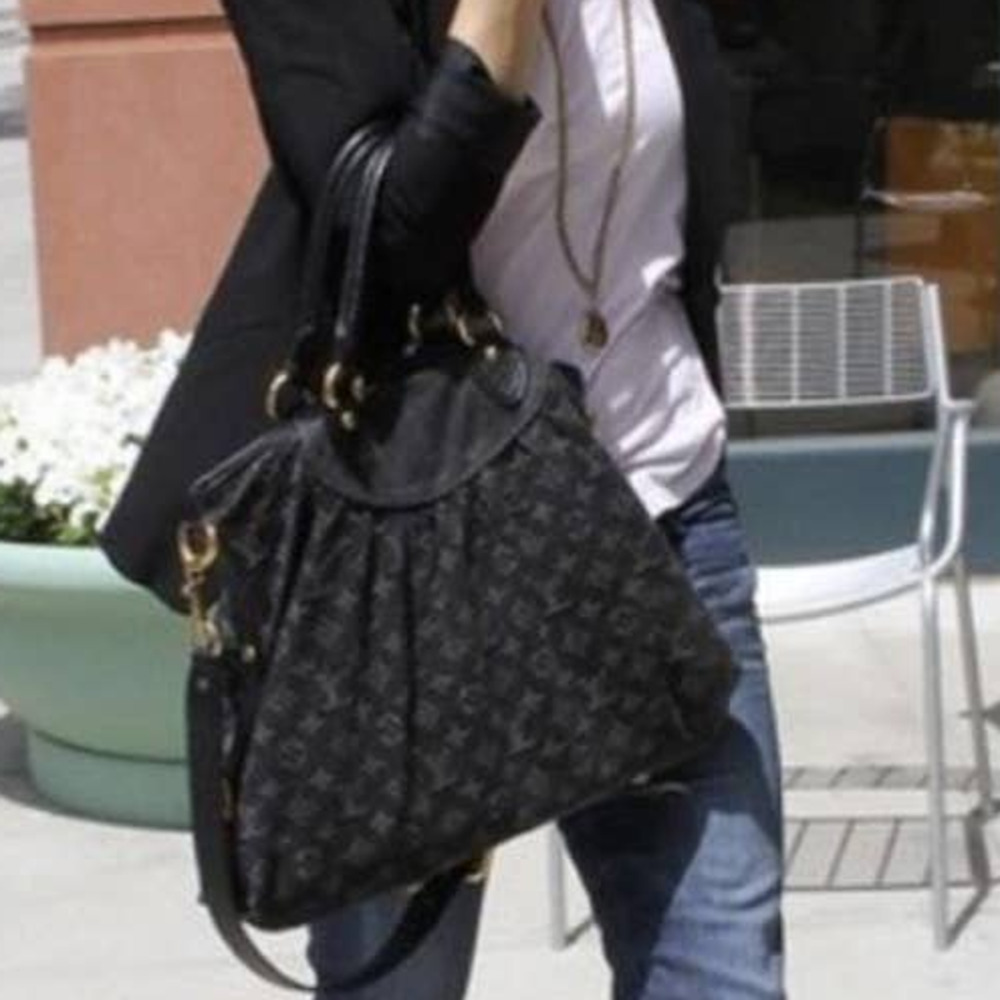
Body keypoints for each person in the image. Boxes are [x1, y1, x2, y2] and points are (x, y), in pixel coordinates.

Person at [97, 1, 786, 998]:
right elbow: (387, 237)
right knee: (398, 984)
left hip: (662, 516)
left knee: (723, 975)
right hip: (409, 560)